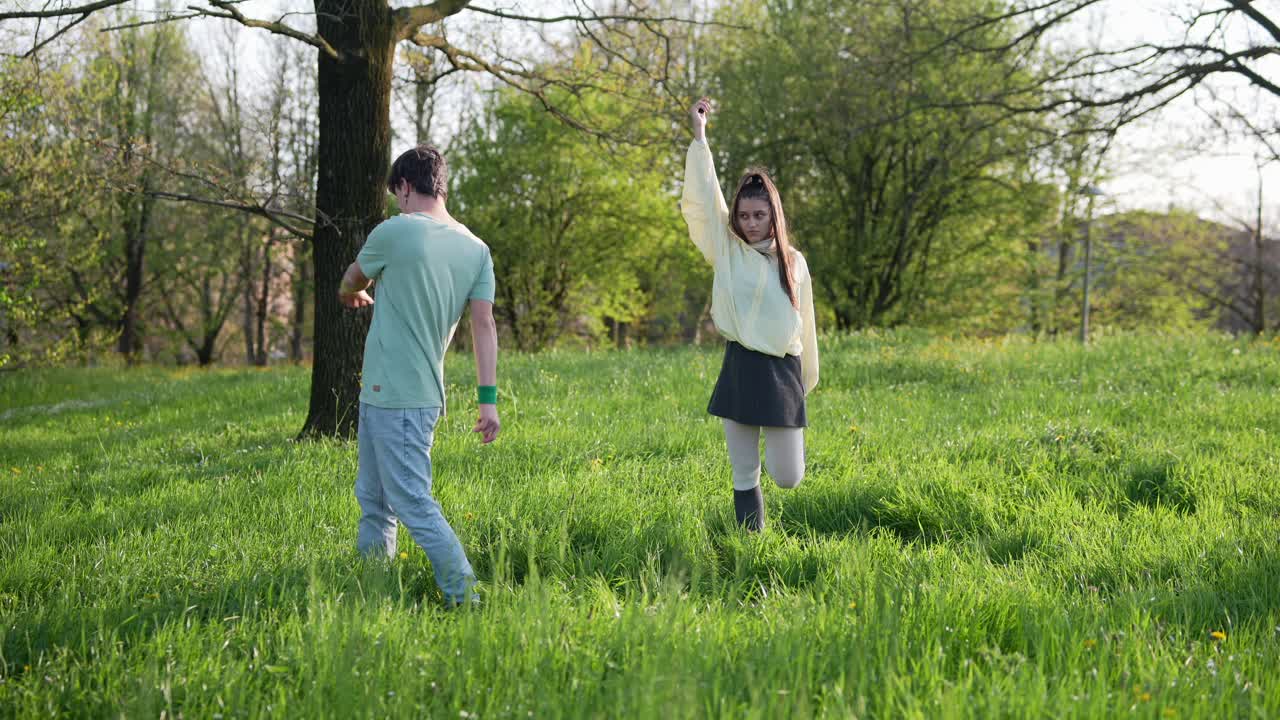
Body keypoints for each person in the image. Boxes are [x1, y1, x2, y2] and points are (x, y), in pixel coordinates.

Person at [338, 144, 500, 606]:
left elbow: (353, 277)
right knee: (373, 499)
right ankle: (375, 587)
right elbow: (484, 326)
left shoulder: (396, 230)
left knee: (410, 502)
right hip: (401, 394)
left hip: (398, 398)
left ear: (406, 187)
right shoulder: (477, 248)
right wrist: (487, 400)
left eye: (397, 195)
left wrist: (350, 294)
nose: (397, 204)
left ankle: (464, 595)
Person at [680, 97, 819, 532]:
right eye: (744, 216)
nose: (751, 222)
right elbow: (706, 196)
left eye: (759, 215)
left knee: (788, 476)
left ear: (773, 216)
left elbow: (807, 325)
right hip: (740, 364)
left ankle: (779, 472)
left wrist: (804, 380)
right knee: (743, 473)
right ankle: (749, 548)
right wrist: (700, 136)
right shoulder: (728, 249)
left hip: (781, 373)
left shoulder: (793, 261)